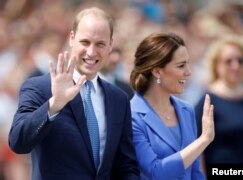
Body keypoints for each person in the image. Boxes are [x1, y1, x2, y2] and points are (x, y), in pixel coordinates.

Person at [8, 7, 140, 180]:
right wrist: (54, 105)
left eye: (100, 44)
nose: (91, 52)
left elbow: (125, 165)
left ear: (110, 44)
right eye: (85, 42)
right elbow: (18, 143)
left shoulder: (119, 98)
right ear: (71, 38)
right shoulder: (39, 87)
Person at [130, 32, 214, 180]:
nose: (188, 72)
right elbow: (156, 172)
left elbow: (195, 171)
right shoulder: (132, 115)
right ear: (157, 71)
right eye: (181, 65)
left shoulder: (186, 110)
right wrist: (204, 139)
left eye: (188, 63)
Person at [195, 34, 243, 173]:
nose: (235, 66)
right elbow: (197, 147)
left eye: (240, 60)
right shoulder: (207, 102)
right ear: (216, 65)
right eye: (228, 61)